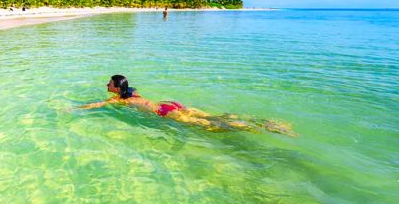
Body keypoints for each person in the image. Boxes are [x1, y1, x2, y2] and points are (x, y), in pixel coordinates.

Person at [81, 74, 295, 136]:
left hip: (163, 112)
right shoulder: (132, 92)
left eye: (109, 83)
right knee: (214, 116)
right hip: (171, 104)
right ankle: (263, 122)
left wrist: (73, 109)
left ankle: (260, 127)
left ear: (117, 88)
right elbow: (130, 88)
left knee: (211, 125)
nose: (106, 84)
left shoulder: (119, 99)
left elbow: (96, 105)